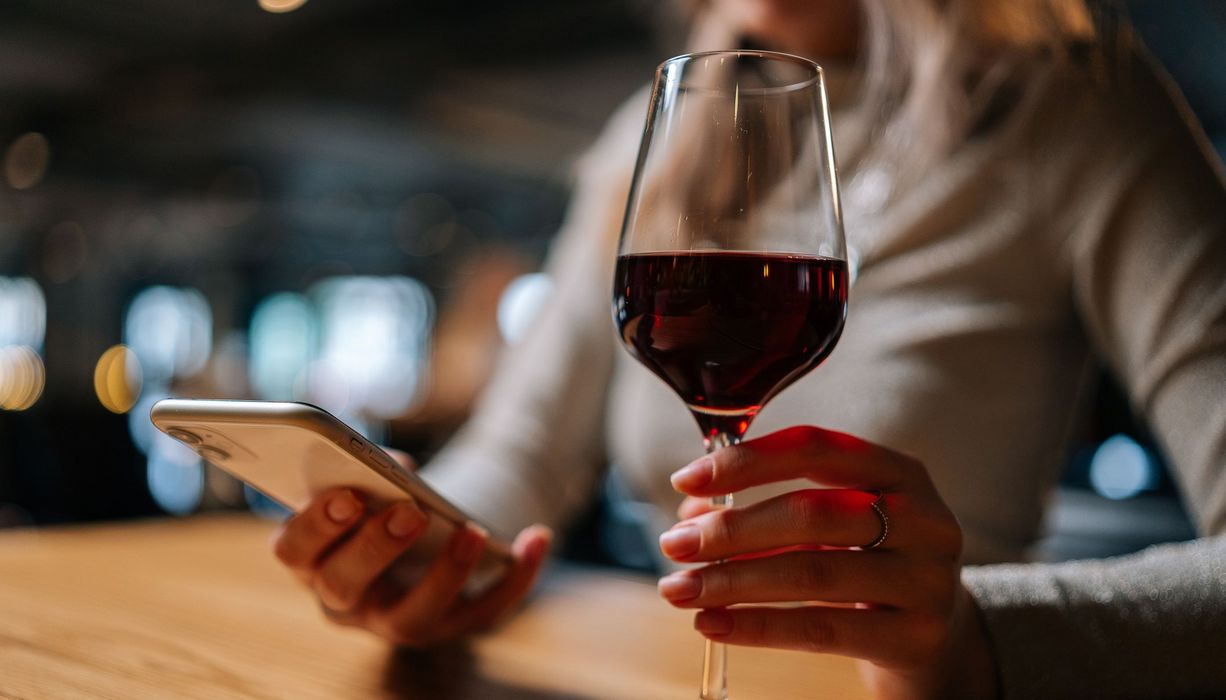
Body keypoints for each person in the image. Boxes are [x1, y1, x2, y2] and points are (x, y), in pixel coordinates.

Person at [271, 1, 1226, 697]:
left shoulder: (1079, 108)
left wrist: (980, 637)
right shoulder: (654, 135)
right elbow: (520, 457)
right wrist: (419, 553)